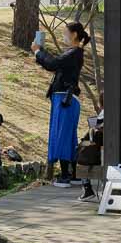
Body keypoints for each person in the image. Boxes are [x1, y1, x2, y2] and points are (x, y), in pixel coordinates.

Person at [31, 22, 88, 188]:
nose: (64, 35)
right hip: (68, 99)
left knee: (62, 135)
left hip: (64, 99)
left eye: (66, 32)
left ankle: (65, 175)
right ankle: (73, 174)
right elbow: (56, 63)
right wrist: (40, 53)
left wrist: (38, 51)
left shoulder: (74, 52)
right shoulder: (74, 53)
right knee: (68, 137)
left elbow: (53, 64)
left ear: (75, 34)